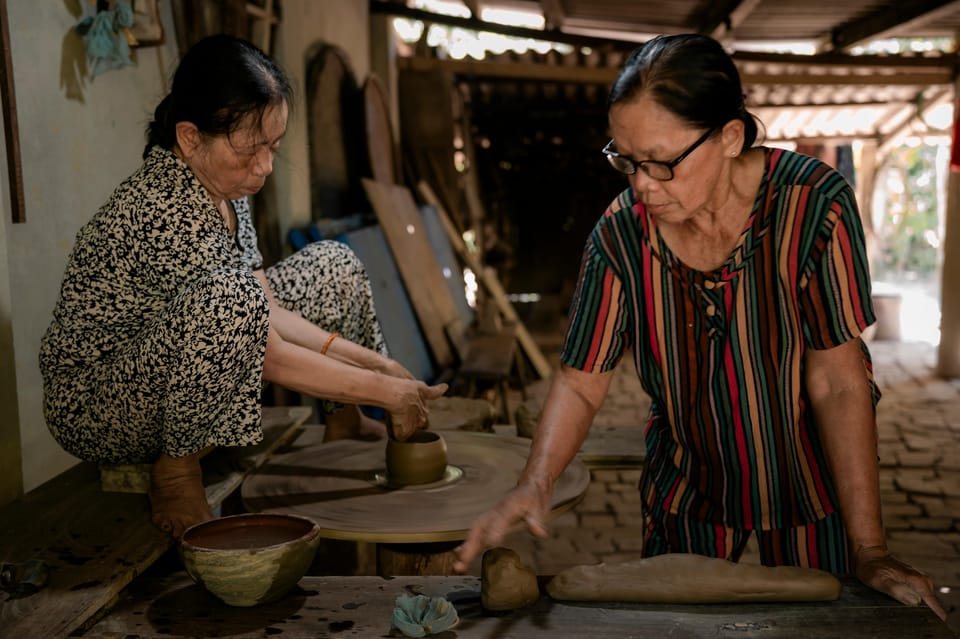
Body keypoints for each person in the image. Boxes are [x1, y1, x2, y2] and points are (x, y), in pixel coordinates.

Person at [453, 34, 946, 620]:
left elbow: (838, 382)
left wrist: (869, 548)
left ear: (730, 138)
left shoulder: (815, 206)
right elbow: (582, 380)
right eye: (626, 160)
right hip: (688, 489)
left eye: (661, 162)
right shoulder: (621, 236)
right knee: (678, 627)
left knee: (824, 621)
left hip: (817, 490)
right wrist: (536, 481)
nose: (641, 184)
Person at [39, 34, 446, 538]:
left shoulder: (227, 188)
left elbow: (265, 309)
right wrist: (390, 392)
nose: (266, 166)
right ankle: (176, 470)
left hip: (172, 360)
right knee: (229, 301)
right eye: (250, 149)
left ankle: (342, 420)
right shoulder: (162, 204)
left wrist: (375, 363)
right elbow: (263, 347)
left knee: (333, 265)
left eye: (273, 146)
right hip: (102, 401)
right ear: (190, 138)